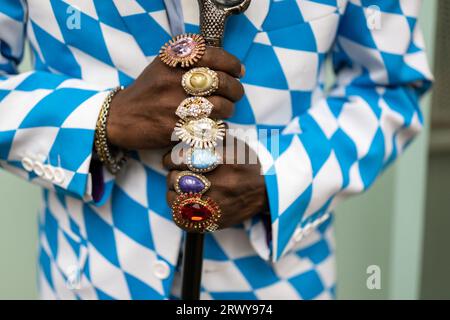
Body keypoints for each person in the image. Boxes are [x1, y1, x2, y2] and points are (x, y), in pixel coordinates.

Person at [0, 0, 432, 299]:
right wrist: (106, 117)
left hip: (276, 283)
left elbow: (390, 84)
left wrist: (279, 177)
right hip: (86, 276)